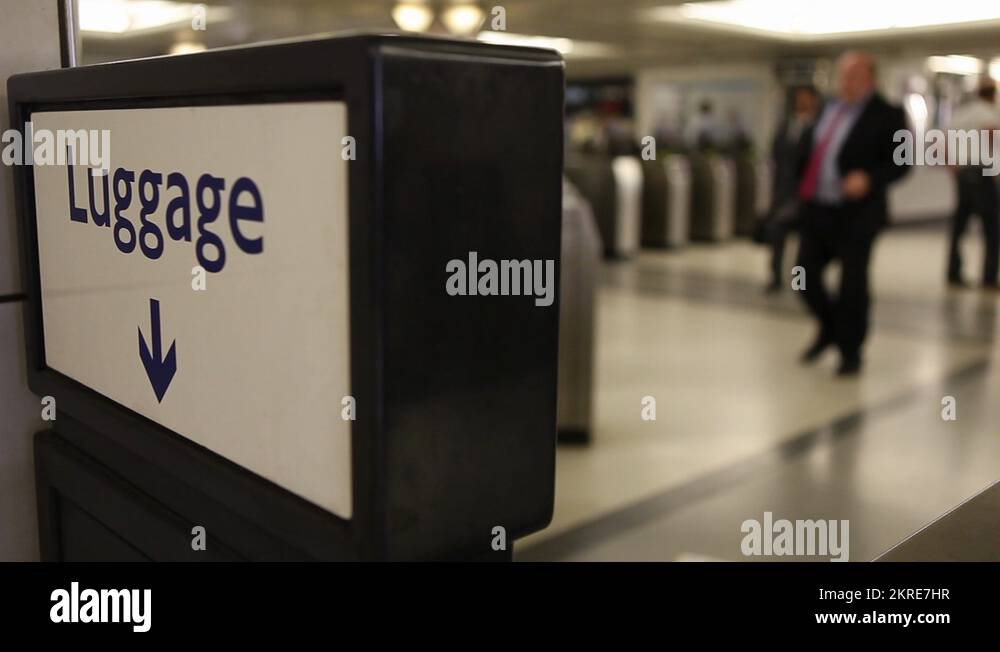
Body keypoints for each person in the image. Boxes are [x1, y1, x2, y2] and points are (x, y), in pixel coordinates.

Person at [795, 52, 909, 376]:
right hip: (818, 208)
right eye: (842, 75)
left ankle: (850, 351)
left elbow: (902, 162)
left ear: (870, 78)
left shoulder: (888, 114)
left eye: (853, 76)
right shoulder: (828, 108)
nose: (845, 82)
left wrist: (870, 179)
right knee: (803, 276)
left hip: (857, 213)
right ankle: (830, 327)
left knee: (852, 284)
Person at [761, 86, 821, 293]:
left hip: (807, 194)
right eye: (799, 99)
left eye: (806, 99)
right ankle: (775, 277)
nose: (801, 102)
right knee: (777, 233)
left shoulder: (820, 128)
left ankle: (802, 281)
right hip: (784, 192)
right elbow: (776, 156)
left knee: (805, 243)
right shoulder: (785, 126)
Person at [946, 79, 1000, 289]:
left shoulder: (961, 113)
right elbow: (990, 134)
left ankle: (953, 273)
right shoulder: (988, 112)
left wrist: (953, 167)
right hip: (980, 172)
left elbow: (942, 142)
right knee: (991, 227)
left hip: (963, 173)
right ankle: (989, 277)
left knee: (959, 226)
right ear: (993, 95)